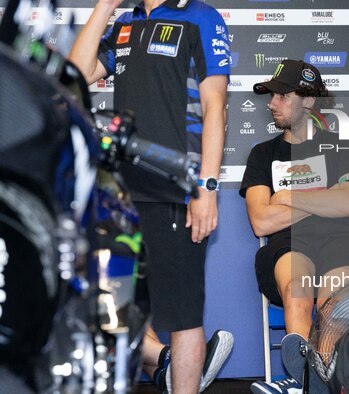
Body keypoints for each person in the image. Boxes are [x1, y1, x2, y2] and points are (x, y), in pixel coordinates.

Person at [69, 0, 233, 393]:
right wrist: (105, 6)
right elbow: (76, 74)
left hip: (177, 190)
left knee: (182, 315)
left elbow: (216, 107)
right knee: (111, 309)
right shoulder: (125, 23)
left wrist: (206, 188)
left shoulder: (200, 18)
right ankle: (149, 368)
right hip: (120, 195)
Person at [239, 59, 349, 394]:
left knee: (332, 298)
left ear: (308, 100)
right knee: (298, 287)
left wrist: (287, 195)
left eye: (282, 95)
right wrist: (322, 199)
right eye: (271, 96)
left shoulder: (343, 145)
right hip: (289, 244)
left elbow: (348, 203)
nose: (272, 103)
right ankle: (306, 381)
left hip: (344, 243)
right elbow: (261, 221)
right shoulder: (263, 154)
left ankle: (318, 379)